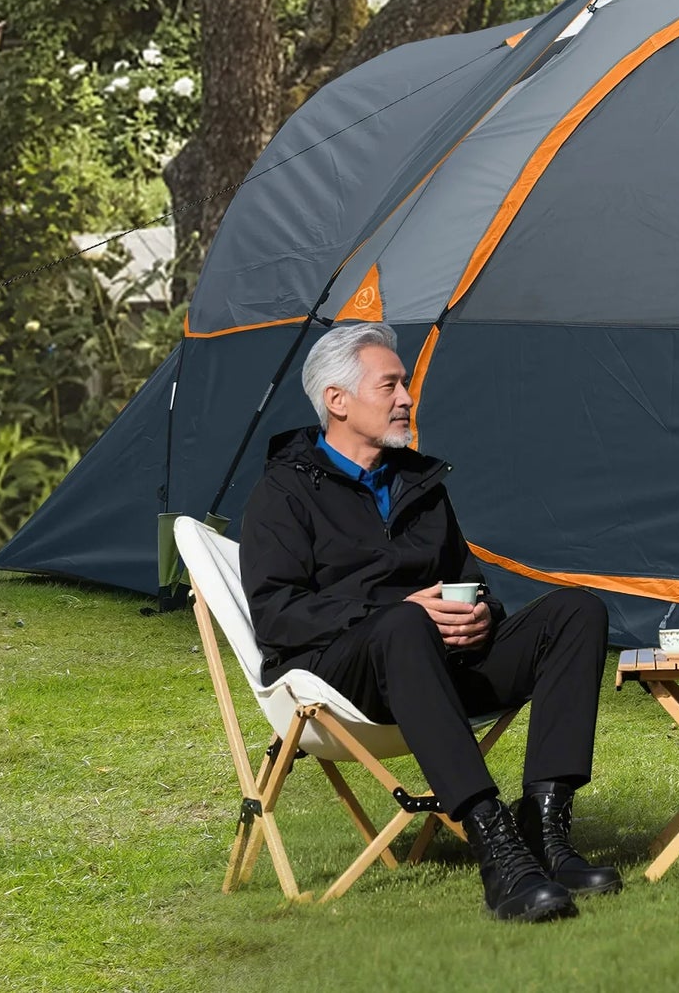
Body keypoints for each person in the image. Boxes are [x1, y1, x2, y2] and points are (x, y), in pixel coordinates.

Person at [240, 320, 620, 922]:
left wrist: (482, 618)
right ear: (337, 400)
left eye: (406, 384)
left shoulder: (419, 484)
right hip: (341, 681)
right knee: (403, 626)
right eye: (389, 385)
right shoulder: (283, 493)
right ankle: (497, 848)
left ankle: (546, 829)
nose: (407, 397)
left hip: (440, 669)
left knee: (577, 610)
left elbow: (470, 582)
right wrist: (396, 612)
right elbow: (277, 615)